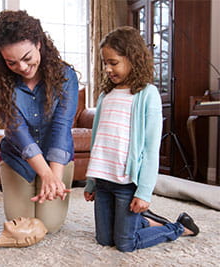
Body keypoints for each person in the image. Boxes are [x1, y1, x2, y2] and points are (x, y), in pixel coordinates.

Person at [83, 26, 199, 252]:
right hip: (104, 181)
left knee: (126, 244)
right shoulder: (105, 96)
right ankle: (142, 221)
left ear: (133, 59)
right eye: (104, 63)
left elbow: (150, 147)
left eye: (113, 63)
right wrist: (91, 182)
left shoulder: (147, 95)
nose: (107, 69)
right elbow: (97, 142)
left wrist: (144, 192)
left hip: (127, 183)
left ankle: (178, 227)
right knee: (104, 240)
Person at [0, 10, 79, 233]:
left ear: (39, 43)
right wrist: (43, 173)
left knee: (48, 226)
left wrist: (53, 178)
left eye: (27, 58)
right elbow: (16, 130)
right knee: (24, 226)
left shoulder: (66, 76)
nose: (22, 67)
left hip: (57, 159)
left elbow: (61, 126)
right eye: (12, 62)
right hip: (18, 159)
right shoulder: (0, 80)